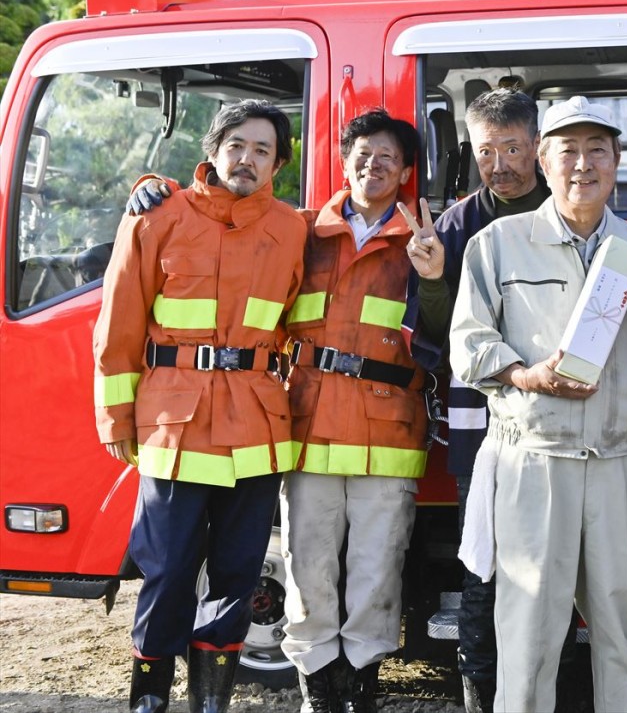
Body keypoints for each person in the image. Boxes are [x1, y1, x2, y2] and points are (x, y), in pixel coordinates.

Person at [449, 96, 627, 713]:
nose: (583, 165)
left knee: (619, 631)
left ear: (617, 162)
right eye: (568, 151)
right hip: (534, 461)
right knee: (528, 636)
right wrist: (528, 377)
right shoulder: (498, 243)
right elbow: (468, 344)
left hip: (617, 464)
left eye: (598, 151)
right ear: (543, 159)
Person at [93, 100, 306, 713]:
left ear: (279, 164)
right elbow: (118, 325)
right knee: (165, 575)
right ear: (213, 150)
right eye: (236, 144)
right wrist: (116, 416)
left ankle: (209, 702)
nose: (247, 158)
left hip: (257, 427)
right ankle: (150, 700)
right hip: (172, 428)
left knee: (238, 578)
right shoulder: (157, 216)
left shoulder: (293, 228)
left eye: (263, 150)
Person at [400, 89, 557, 713]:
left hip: (555, 425)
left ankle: (547, 687)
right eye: (487, 150)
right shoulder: (456, 225)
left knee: (553, 567)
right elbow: (436, 335)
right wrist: (435, 278)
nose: (501, 164)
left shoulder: (568, 211)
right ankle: (479, 693)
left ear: (537, 148)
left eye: (514, 148)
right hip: (480, 431)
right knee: (483, 566)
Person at [280, 110, 427, 713]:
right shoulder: (300, 230)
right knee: (307, 566)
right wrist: (148, 189)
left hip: (388, 430)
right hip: (310, 424)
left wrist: (434, 277)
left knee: (377, 568)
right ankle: (317, 684)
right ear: (343, 162)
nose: (373, 165)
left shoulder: (425, 242)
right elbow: (223, 222)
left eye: (387, 158)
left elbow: (443, 331)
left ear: (406, 172)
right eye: (363, 154)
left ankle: (361, 684)